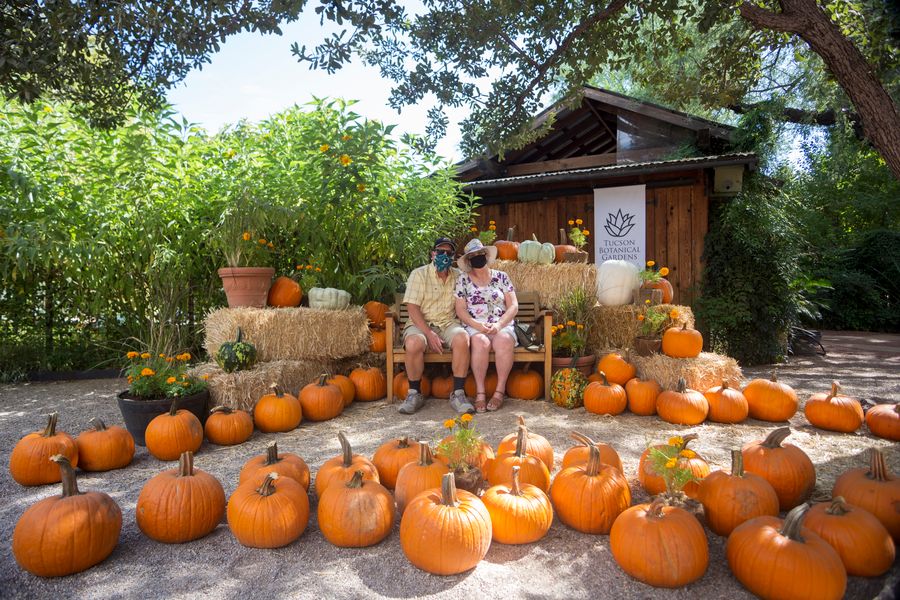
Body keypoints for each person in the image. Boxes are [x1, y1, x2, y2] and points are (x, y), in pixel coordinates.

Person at [398, 237, 474, 415]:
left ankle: (458, 394)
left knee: (462, 338)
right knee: (414, 343)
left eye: (449, 253)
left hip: (448, 322)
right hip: (421, 323)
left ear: (453, 256)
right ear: (433, 254)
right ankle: (414, 393)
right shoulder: (419, 274)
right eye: (441, 252)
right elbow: (412, 308)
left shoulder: (459, 277)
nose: (444, 256)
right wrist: (428, 333)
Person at [454, 238, 518, 413]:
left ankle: (499, 391)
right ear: (468, 261)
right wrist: (478, 326)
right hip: (476, 326)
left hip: (501, 324)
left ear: (486, 255)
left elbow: (513, 305)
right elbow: (460, 310)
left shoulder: (501, 277)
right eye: (473, 256)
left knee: (504, 340)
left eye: (480, 254)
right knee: (481, 342)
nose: (478, 258)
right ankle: (480, 392)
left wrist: (499, 324)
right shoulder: (463, 280)